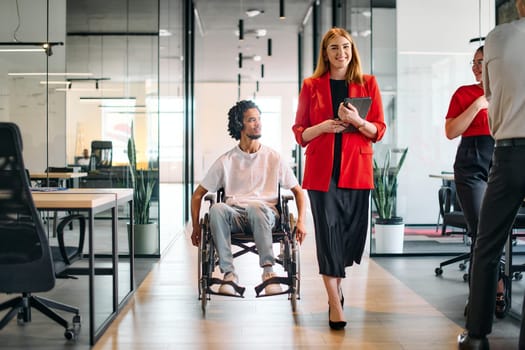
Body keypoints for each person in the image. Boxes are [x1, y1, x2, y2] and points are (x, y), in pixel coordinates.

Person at [292, 27, 386, 330]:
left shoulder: (368, 83)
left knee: (349, 238)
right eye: (333, 48)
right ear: (325, 53)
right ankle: (334, 304)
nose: (340, 52)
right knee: (328, 236)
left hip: (357, 172)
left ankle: (337, 283)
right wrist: (322, 127)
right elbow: (301, 133)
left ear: (352, 50)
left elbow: (379, 131)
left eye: (345, 47)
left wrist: (357, 121)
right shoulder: (311, 85)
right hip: (322, 175)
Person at [458, 1, 525, 349]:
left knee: (487, 246)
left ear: (518, 5)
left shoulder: (497, 38)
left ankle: (478, 335)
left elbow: (489, 93)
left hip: (511, 152)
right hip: (503, 152)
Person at [191, 100, 307, 297]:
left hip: (266, 214)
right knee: (217, 208)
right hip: (234, 215)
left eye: (259, 119)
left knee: (255, 207)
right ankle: (229, 274)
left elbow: (298, 191)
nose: (258, 124)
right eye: (252, 120)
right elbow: (197, 195)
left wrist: (302, 221)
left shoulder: (273, 158)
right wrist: (196, 227)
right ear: (240, 125)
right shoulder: (226, 161)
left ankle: (269, 272)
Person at [444, 46, 507, 318]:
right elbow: (451, 131)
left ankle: (490, 289)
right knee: (481, 230)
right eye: (475, 62)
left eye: (482, 62)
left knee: (498, 228)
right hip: (471, 161)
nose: (476, 67)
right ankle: (491, 291)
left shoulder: (509, 91)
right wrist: (478, 104)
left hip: (503, 157)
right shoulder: (464, 93)